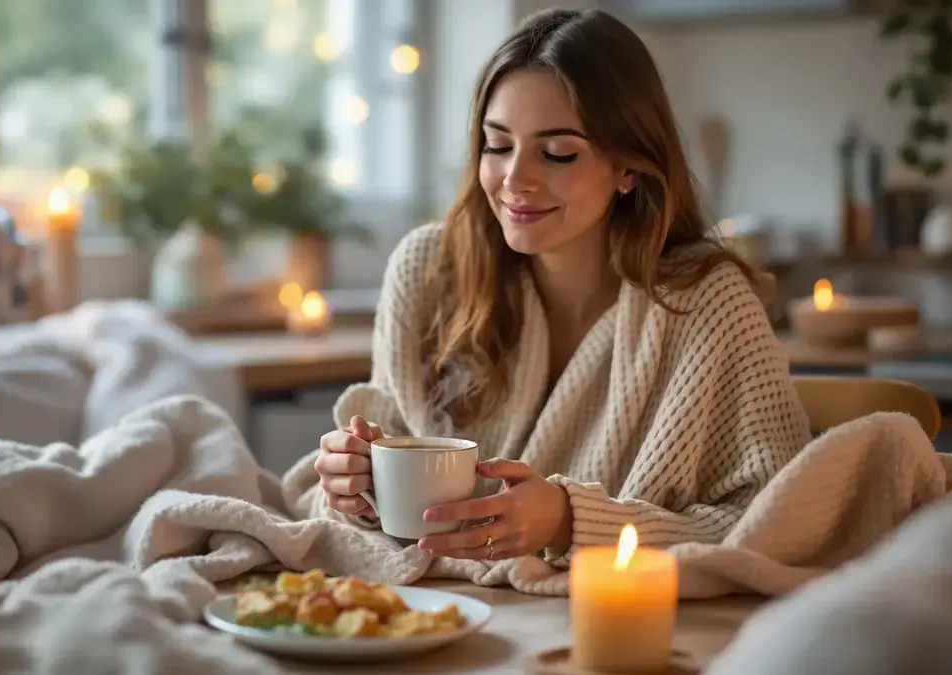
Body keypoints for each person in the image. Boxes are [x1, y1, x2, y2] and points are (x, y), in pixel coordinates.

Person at [282, 8, 812, 564]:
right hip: (442, 616)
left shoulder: (709, 301)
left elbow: (773, 521)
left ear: (628, 167)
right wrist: (356, 491)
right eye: (497, 145)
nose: (516, 179)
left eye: (557, 152)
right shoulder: (427, 272)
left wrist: (570, 520)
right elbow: (382, 510)